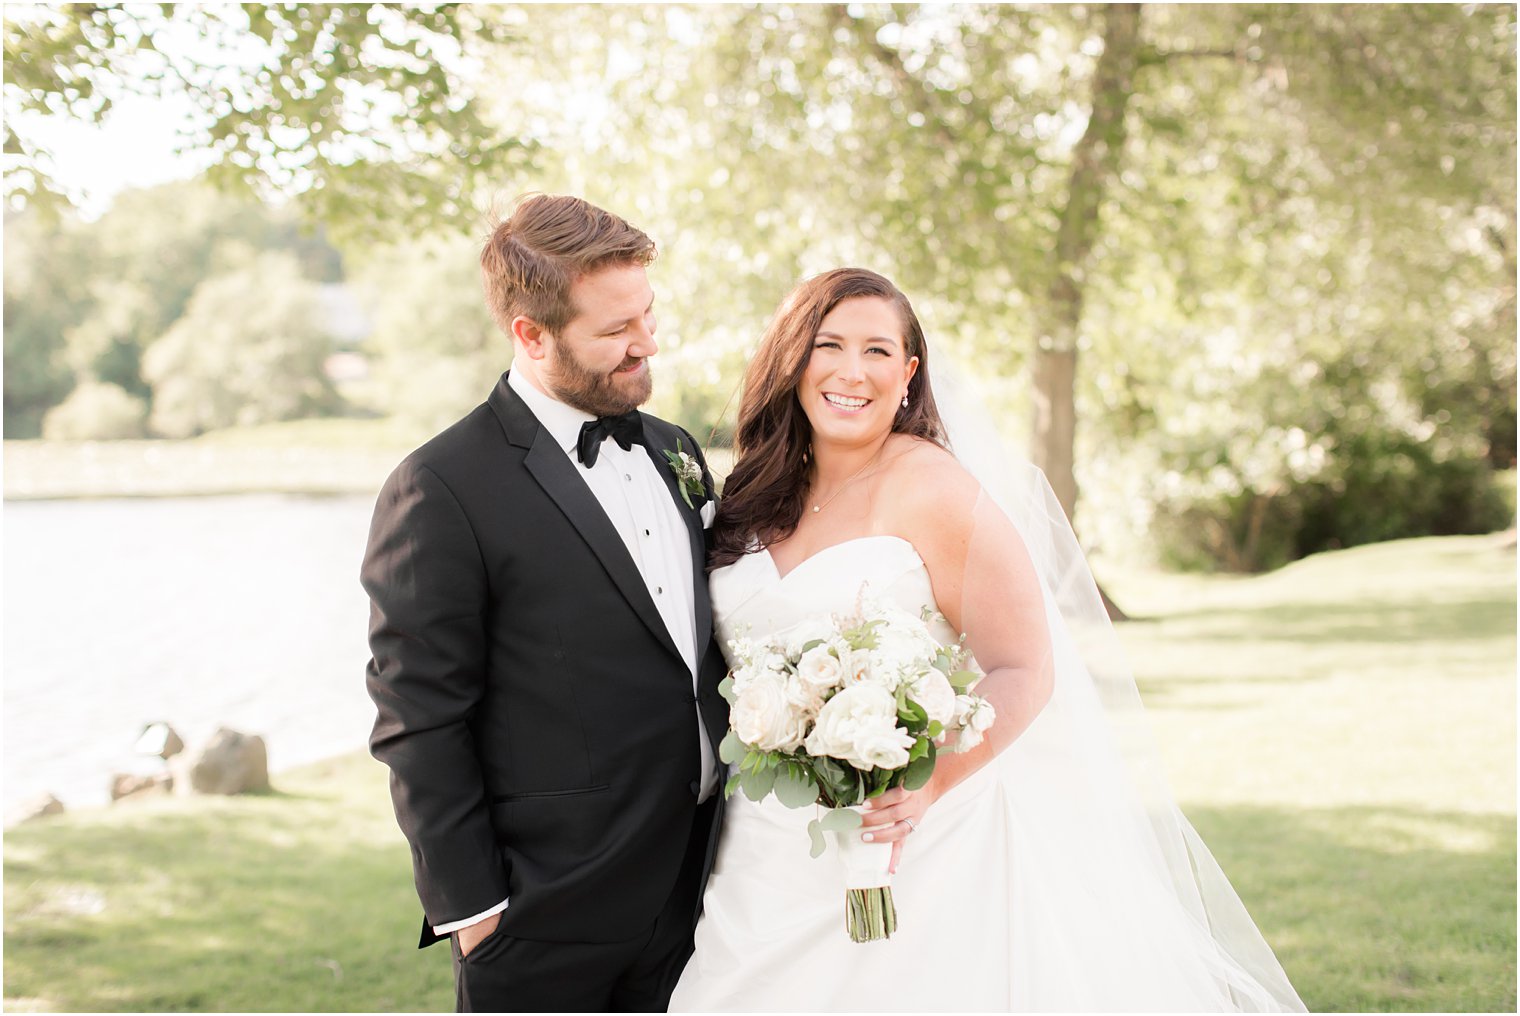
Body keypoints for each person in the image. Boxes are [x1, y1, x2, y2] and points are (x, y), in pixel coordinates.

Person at [668, 268, 1305, 1011]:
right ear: (793, 360)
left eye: (877, 351)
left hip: (916, 845)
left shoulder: (935, 489)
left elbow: (1023, 665)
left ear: (908, 374)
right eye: (828, 345)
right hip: (762, 851)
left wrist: (928, 780)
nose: (851, 371)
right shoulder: (750, 491)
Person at [361, 194, 729, 1012]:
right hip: (546, 918)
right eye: (613, 331)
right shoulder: (440, 489)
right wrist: (475, 912)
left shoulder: (674, 449)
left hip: (703, 890)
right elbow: (418, 717)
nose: (646, 343)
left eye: (648, 314)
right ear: (530, 334)